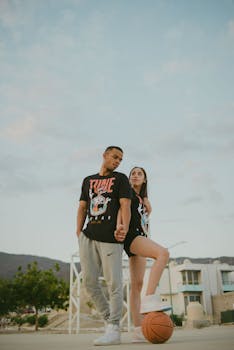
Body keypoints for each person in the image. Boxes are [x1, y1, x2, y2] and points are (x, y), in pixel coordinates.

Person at [76, 146, 132, 346]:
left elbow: (125, 205)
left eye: (120, 159)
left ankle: (114, 329)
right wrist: (78, 231)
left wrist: (123, 228)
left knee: (114, 283)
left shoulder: (121, 179)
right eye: (115, 157)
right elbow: (82, 206)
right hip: (88, 236)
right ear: (105, 155)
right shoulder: (88, 180)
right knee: (89, 283)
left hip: (111, 239)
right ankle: (111, 321)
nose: (117, 161)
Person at [115, 166, 171, 343]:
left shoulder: (142, 199)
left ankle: (138, 330)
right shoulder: (127, 193)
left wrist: (146, 201)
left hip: (142, 237)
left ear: (145, 180)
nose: (135, 176)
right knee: (163, 254)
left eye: (139, 174)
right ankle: (149, 299)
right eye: (133, 173)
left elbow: (145, 221)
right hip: (131, 236)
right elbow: (120, 210)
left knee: (136, 285)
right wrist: (119, 227)